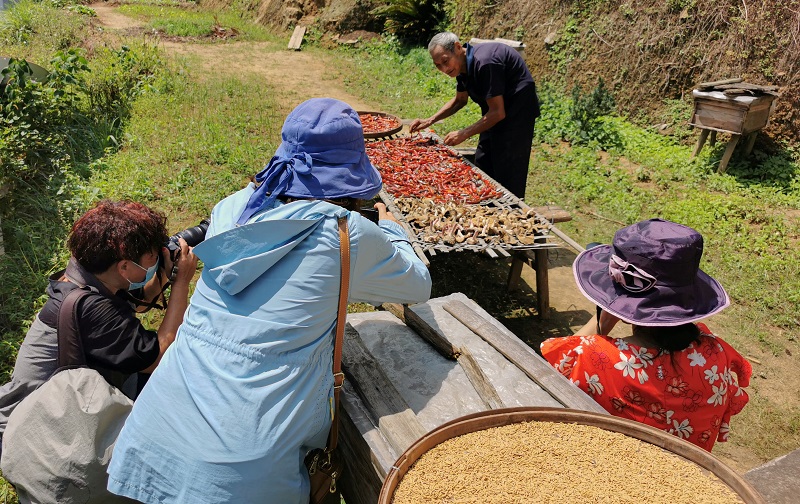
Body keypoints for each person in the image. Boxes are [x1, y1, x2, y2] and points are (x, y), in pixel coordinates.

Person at [107, 98, 432, 503]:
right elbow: (418, 286)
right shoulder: (345, 235)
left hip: (158, 428)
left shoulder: (232, 208)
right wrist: (393, 232)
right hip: (242, 465)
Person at [0, 200, 198, 453]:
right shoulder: (90, 307)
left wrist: (164, 273)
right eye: (151, 258)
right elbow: (156, 356)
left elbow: (134, 305)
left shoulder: (86, 274)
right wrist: (181, 282)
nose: (155, 261)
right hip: (34, 430)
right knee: (172, 379)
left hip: (51, 404)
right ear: (124, 266)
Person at [540, 219, 751, 451]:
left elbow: (544, 378)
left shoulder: (593, 357)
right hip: (690, 475)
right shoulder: (718, 354)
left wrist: (602, 321)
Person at [409, 31, 540, 199]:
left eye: (445, 61)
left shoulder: (485, 62)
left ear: (458, 47)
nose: (444, 69)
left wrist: (464, 133)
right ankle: (488, 203)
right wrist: (430, 120)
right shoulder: (462, 67)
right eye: (438, 65)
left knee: (508, 171)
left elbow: (498, 113)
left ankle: (512, 212)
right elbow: (459, 100)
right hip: (493, 111)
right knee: (484, 161)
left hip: (516, 114)